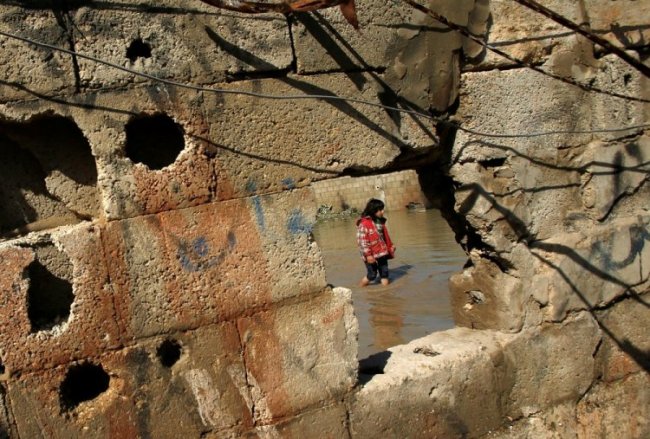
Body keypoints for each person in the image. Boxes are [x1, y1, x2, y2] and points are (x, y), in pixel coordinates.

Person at [356, 198, 396, 286]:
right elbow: (362, 241)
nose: (383, 211)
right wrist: (368, 255)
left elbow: (384, 237)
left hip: (381, 252)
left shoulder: (380, 222)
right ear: (374, 211)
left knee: (384, 273)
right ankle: (360, 288)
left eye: (383, 209)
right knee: (372, 275)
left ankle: (386, 293)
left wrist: (391, 246)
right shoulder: (364, 224)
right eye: (381, 210)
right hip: (370, 254)